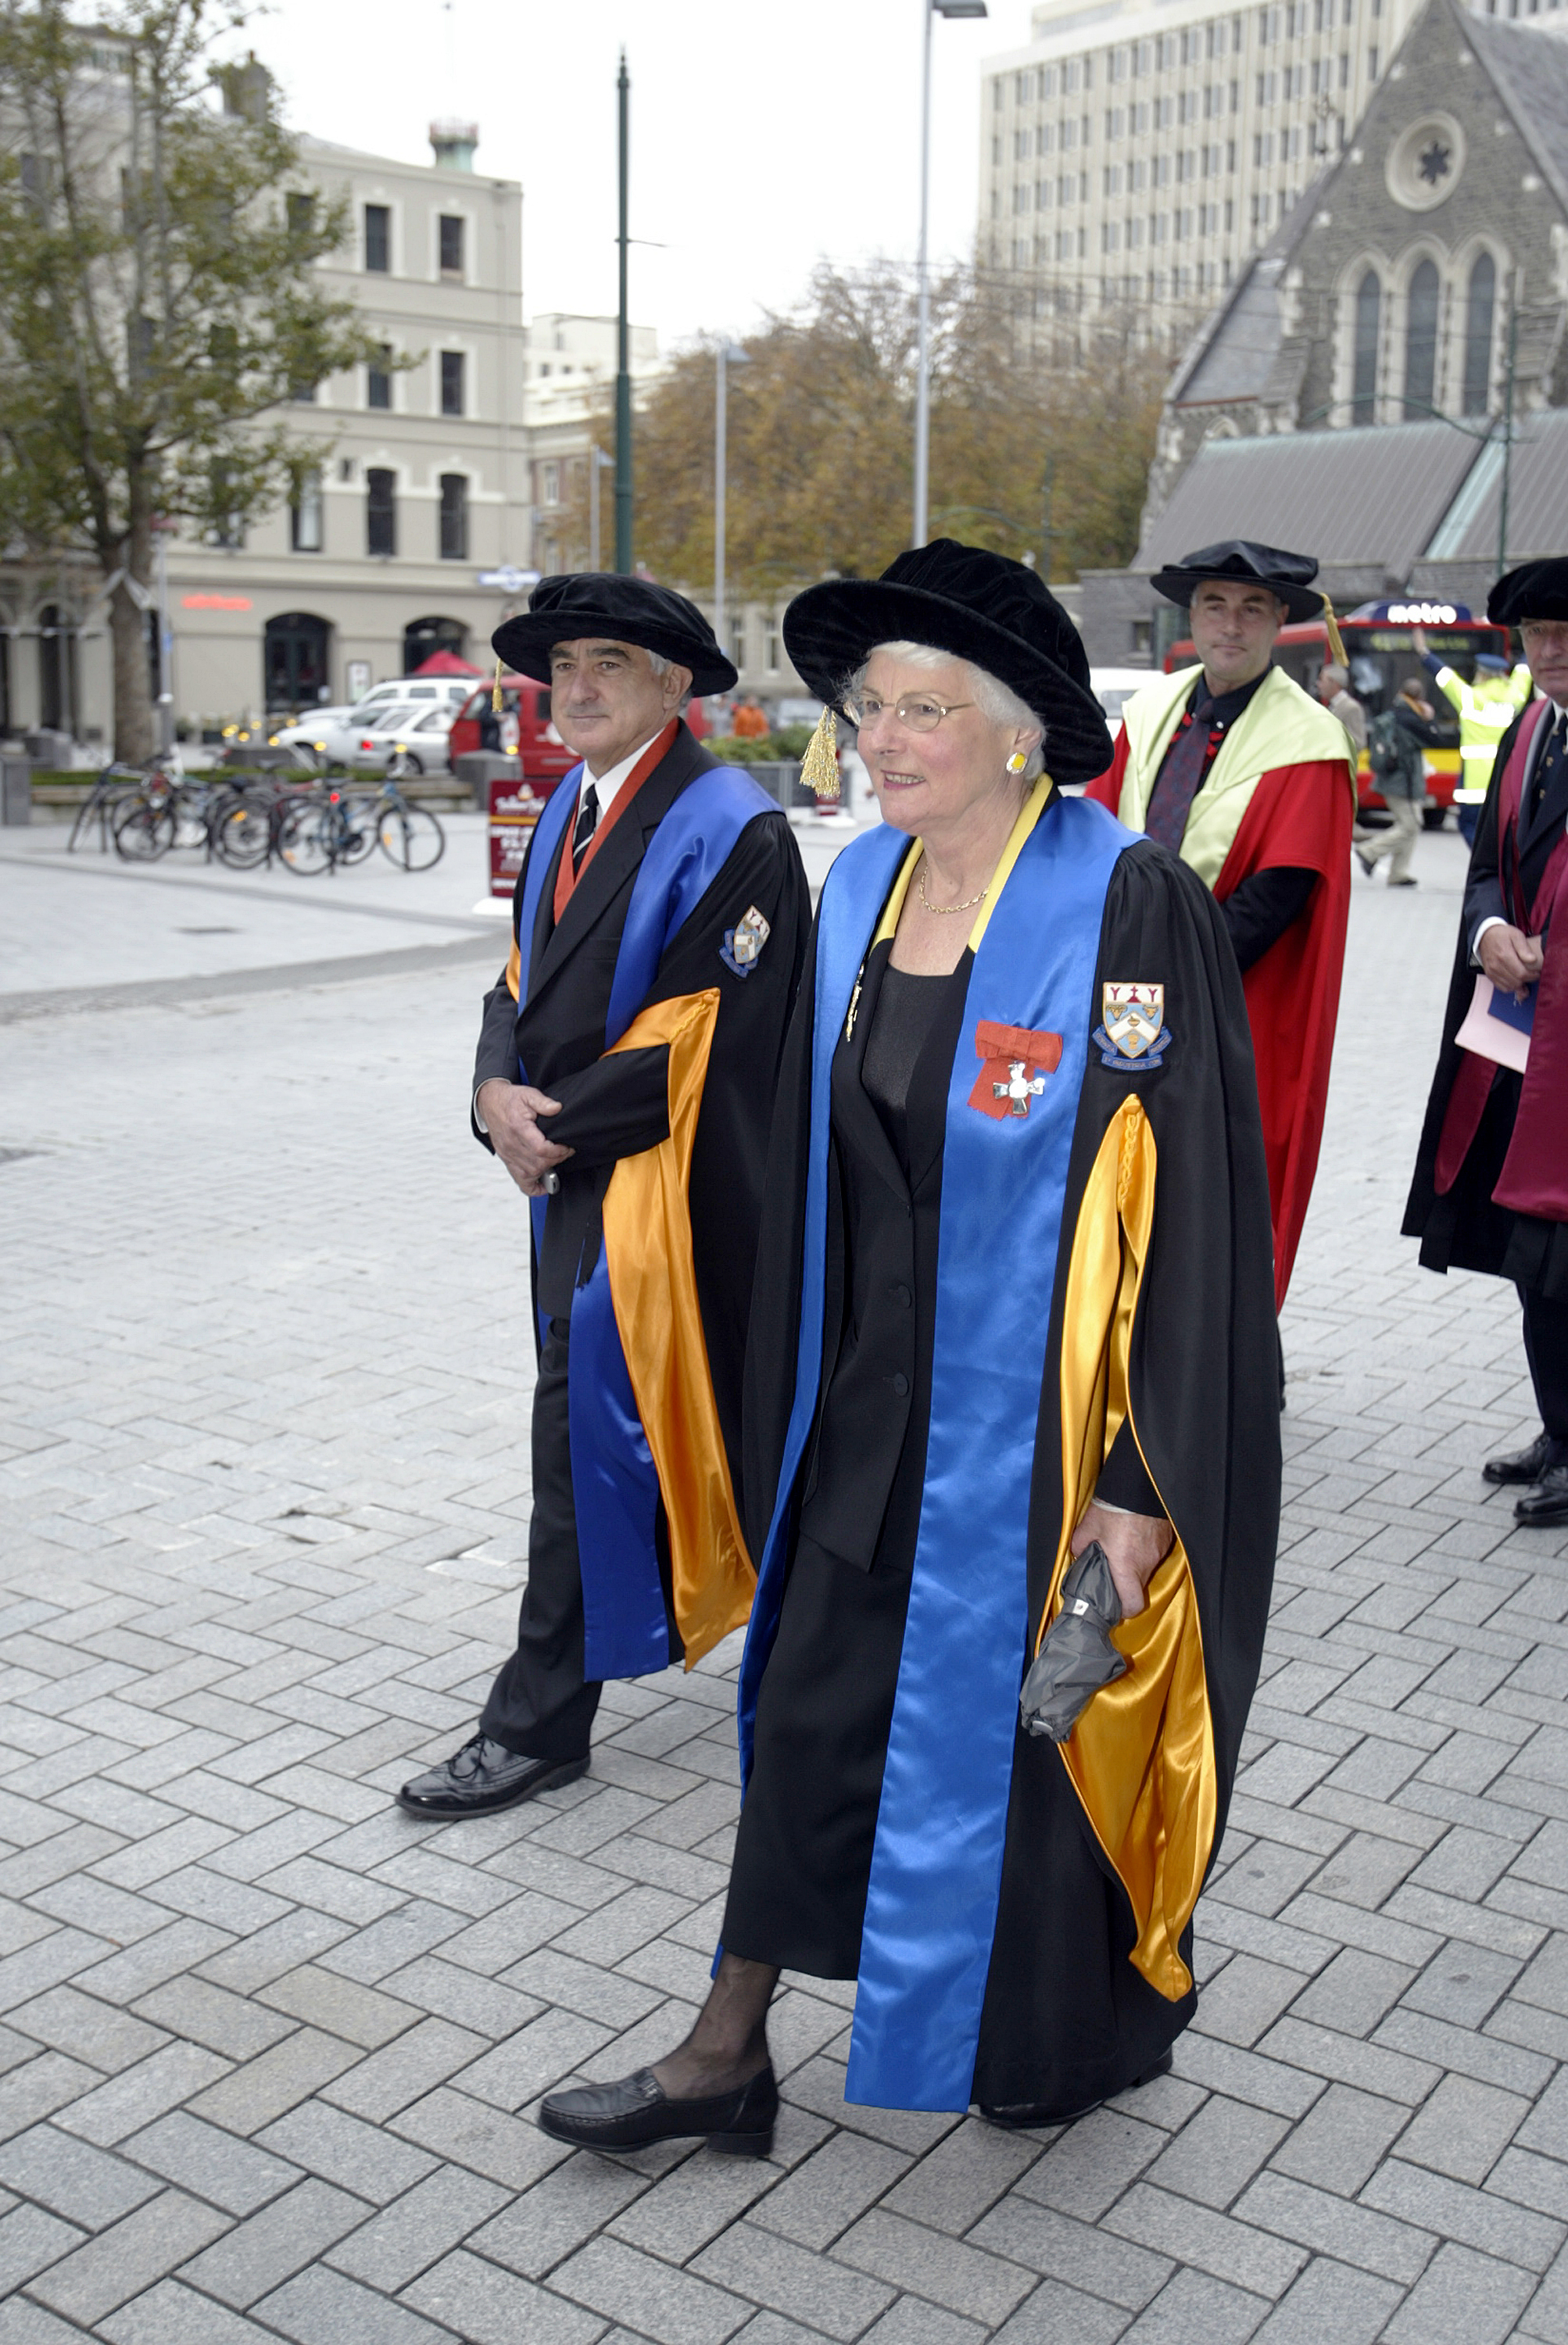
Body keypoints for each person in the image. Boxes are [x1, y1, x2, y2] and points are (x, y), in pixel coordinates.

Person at [536, 539, 1280, 2151]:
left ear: (1014, 730)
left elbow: (1191, 1221)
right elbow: (800, 1161)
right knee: (811, 1702)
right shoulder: (859, 885)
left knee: (1042, 1726)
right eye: (866, 705)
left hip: (1051, 1431)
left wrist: (1138, 1483)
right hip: (864, 1409)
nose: (876, 738)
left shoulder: (1120, 900)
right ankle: (725, 2050)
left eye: (919, 708)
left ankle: (1067, 2025)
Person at [399, 577, 811, 1817]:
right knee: (597, 1442)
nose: (575, 688)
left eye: (608, 665)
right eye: (562, 665)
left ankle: (538, 1720)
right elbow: (518, 981)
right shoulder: (574, 806)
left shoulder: (733, 827)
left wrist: (544, 1126)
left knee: (603, 1443)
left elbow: (708, 1036)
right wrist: (489, 1090)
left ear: (675, 685)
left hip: (669, 1207)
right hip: (574, 1178)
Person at [1087, 540, 1355, 1308]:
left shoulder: (1305, 739)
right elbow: (1094, 837)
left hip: (1232, 999)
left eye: (1249, 609)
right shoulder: (1147, 712)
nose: (1228, 626)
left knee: (1224, 1172)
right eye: (1213, 605)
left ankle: (1235, 1353)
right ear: (1190, 616)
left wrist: (1177, 972)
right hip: (1125, 991)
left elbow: (1279, 892)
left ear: (1277, 622)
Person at [1404, 558, 1568, 1528]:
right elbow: (1480, 869)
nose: (1548, 652)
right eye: (1535, 636)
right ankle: (1558, 1426)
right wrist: (1487, 934)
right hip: (1514, 1035)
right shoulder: (1526, 729)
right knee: (1526, 1250)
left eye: (1565, 634)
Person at [1412, 625, 1534, 848]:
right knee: (1499, 830)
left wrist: (1424, 652)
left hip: (1476, 784)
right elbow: (1525, 670)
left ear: (1483, 674)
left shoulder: (1470, 698)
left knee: (1470, 826)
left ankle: (1488, 867)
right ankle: (1497, 868)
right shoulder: (1515, 695)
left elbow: (1444, 676)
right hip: (1504, 780)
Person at [1356, 678, 1446, 888]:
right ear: (1419, 698)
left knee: (1410, 826)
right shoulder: (1411, 719)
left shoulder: (1394, 714)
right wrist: (1430, 719)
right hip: (1403, 784)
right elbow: (1436, 741)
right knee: (1410, 825)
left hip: (1393, 780)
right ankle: (1368, 852)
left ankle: (1398, 873)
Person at [1316, 660, 1367, 760]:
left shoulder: (1351, 708)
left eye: (1322, 680)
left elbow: (1358, 743)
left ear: (1334, 683)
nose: (1318, 685)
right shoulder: (1331, 707)